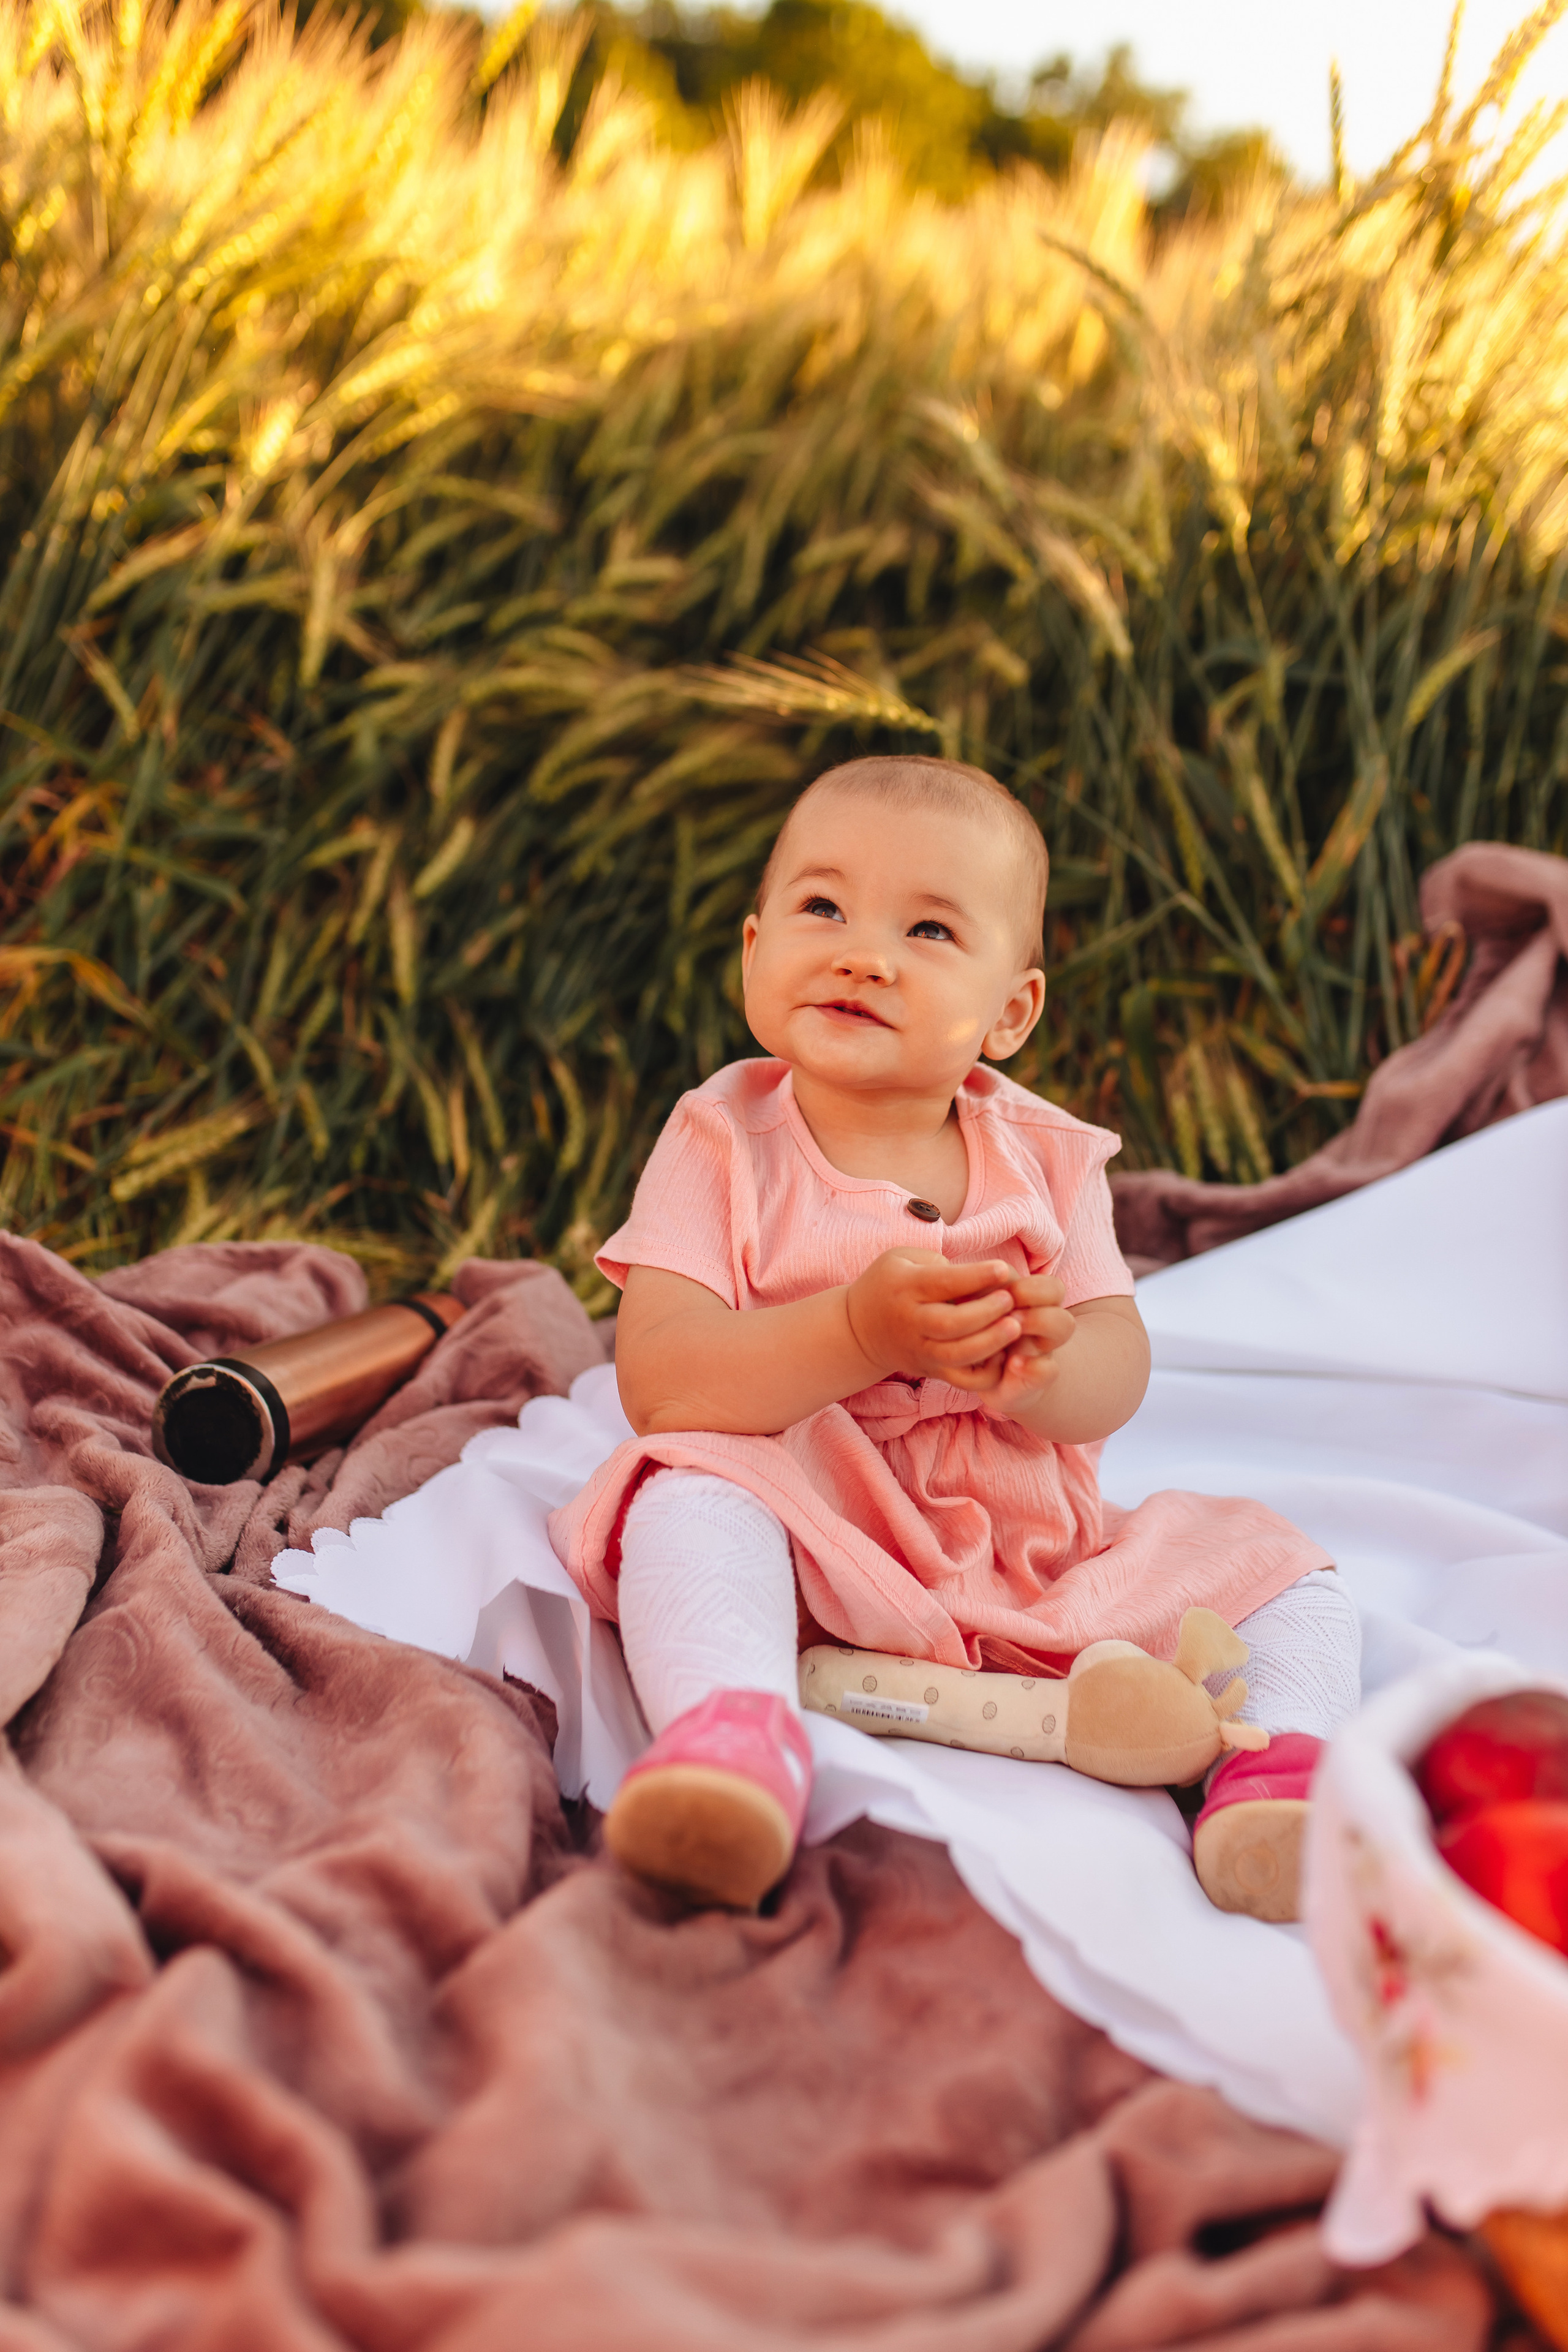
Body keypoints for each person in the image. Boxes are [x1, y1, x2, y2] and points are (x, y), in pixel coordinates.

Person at [548, 755, 1361, 1919]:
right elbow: (666, 1382)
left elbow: (1116, 1370)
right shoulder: (723, 1139)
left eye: (928, 929)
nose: (863, 953)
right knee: (683, 1490)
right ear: (752, 948)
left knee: (1288, 1573)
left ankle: (1267, 1769)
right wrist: (853, 1329)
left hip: (1033, 1559)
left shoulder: (1047, 1158)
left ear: (1012, 1012)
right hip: (816, 1531)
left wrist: (1043, 1370)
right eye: (822, 908)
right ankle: (732, 1738)